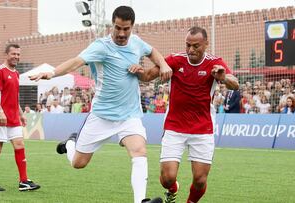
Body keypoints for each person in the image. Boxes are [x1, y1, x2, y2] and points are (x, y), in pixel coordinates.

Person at [29, 6, 172, 203]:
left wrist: (163, 64)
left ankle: (140, 201)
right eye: (118, 28)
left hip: (129, 115)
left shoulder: (136, 42)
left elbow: (153, 52)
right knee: (78, 163)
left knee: (139, 151)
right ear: (112, 25)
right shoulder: (100, 46)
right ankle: (70, 144)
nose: (121, 33)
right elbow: (75, 62)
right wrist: (53, 73)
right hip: (102, 116)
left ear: (132, 27)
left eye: (126, 29)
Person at [131, 26, 239, 203]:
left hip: (203, 129)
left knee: (200, 180)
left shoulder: (215, 63)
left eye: (196, 46)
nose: (191, 50)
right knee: (167, 179)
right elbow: (149, 75)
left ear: (206, 44)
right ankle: (173, 189)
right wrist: (138, 70)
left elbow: (235, 84)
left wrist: (223, 77)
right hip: (175, 126)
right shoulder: (175, 60)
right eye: (188, 45)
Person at [0, 44, 40, 192]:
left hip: (13, 117)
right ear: (6, 54)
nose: (16, 57)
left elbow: (14, 97)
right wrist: (1, 112)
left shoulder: (16, 74)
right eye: (13, 54)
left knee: (19, 144)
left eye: (18, 54)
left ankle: (24, 181)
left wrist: (21, 114)